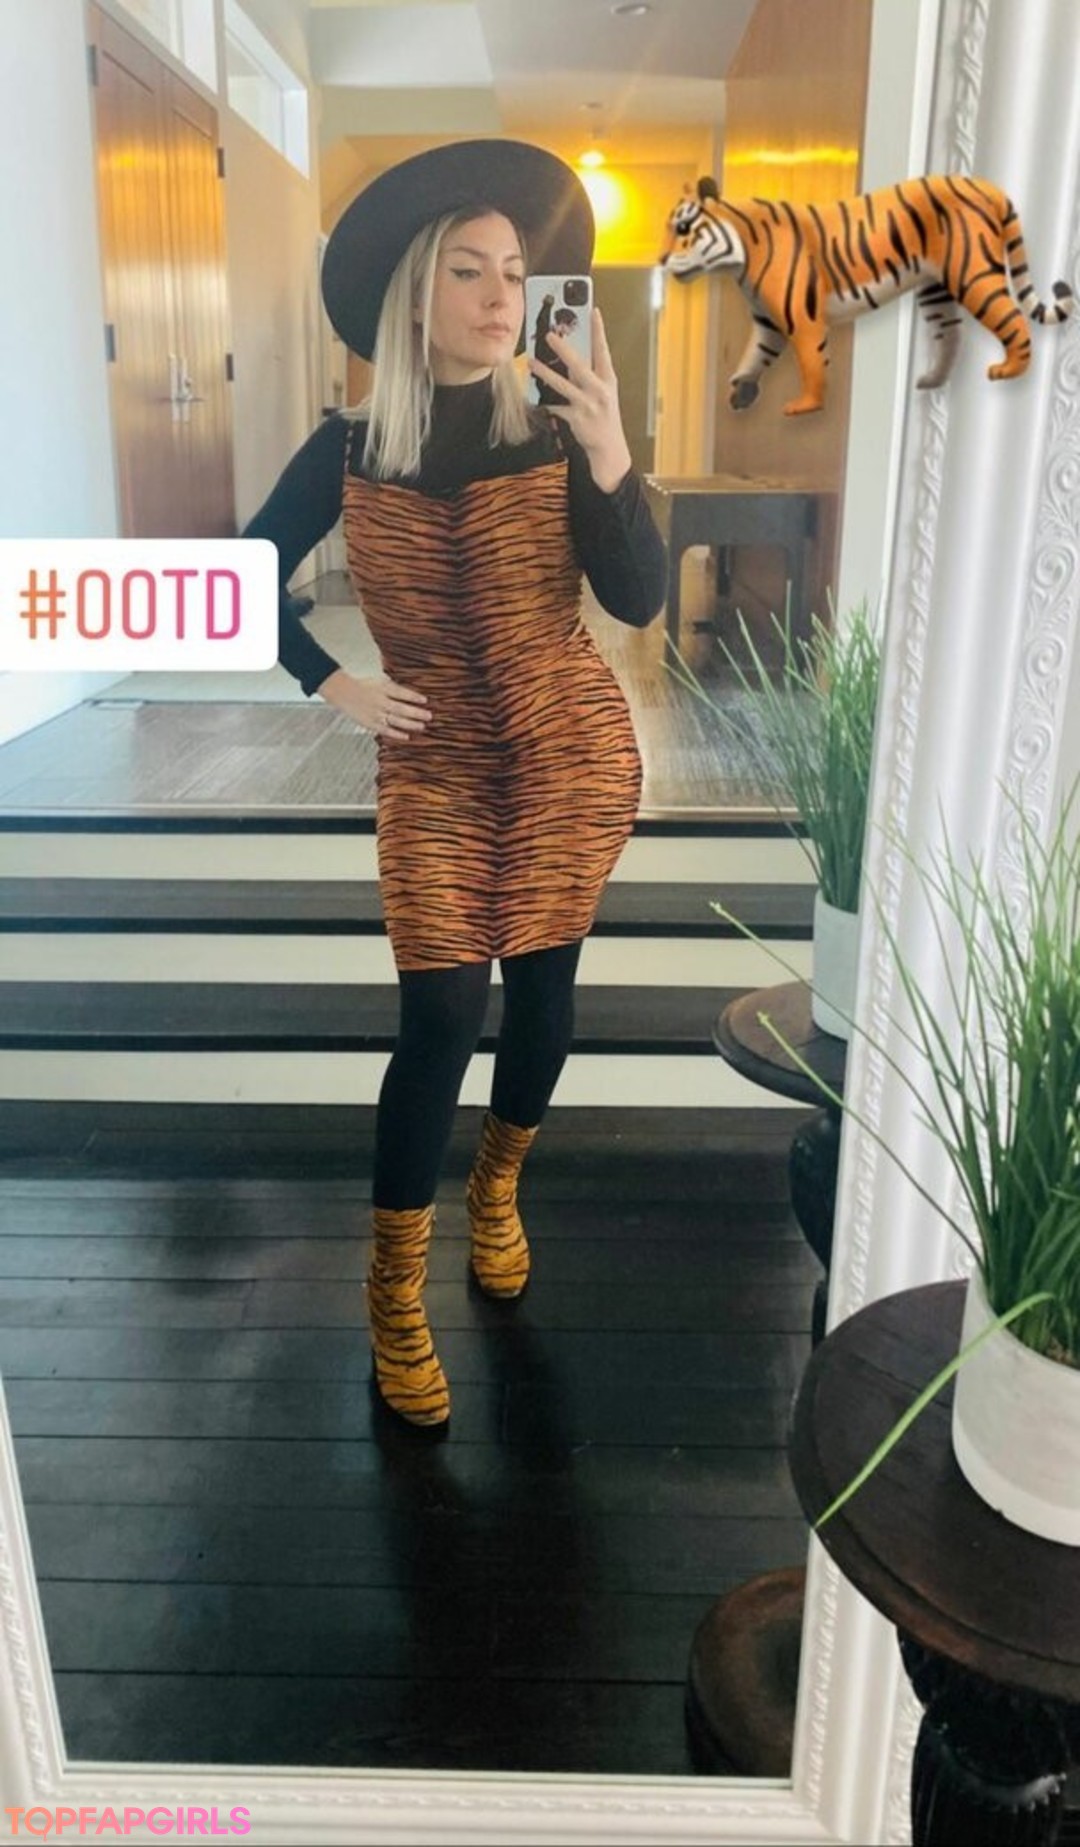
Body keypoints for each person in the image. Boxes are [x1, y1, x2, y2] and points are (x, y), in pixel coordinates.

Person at [243, 139, 666, 1433]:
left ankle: (496, 1192)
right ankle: (391, 1293)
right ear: (414, 291)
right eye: (469, 270)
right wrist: (334, 683)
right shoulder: (348, 448)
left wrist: (612, 455)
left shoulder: (558, 430)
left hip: (565, 750)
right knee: (438, 1013)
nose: (500, 296)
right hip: (432, 760)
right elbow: (236, 579)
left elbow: (637, 599)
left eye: (515, 272)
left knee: (542, 988)